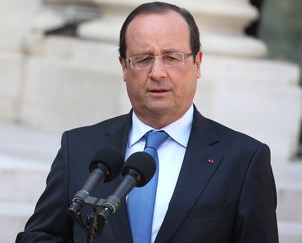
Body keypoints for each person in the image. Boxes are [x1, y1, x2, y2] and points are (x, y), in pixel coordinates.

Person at [16, 2, 278, 243]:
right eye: (143, 59)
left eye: (172, 57)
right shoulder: (80, 148)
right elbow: (40, 236)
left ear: (197, 64)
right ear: (123, 67)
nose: (157, 73)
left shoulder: (243, 159)